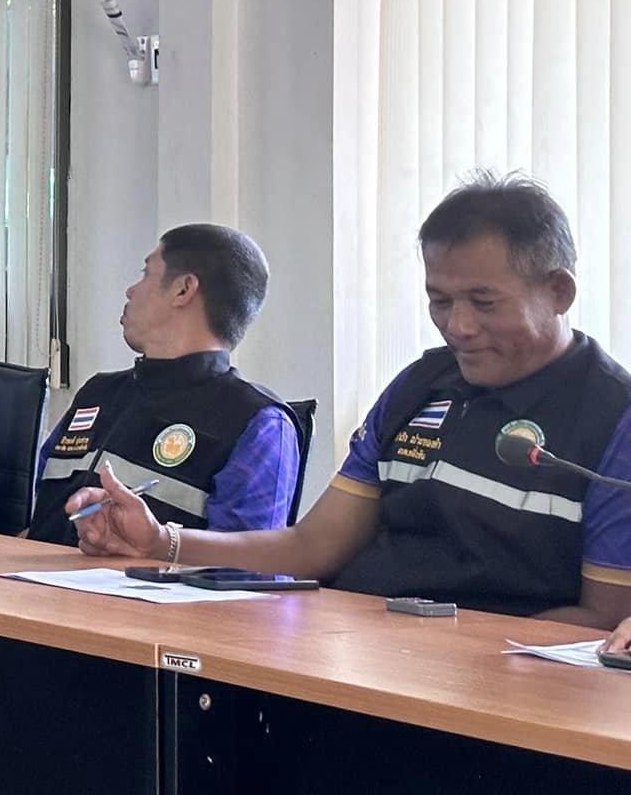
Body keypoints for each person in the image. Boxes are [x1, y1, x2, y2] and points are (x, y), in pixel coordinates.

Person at [71, 175, 631, 626]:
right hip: (356, 649)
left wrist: (442, 652)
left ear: (558, 292)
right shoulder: (421, 385)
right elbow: (312, 547)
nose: (458, 326)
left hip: (484, 682)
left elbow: (603, 619)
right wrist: (162, 541)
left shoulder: (613, 418)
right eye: (440, 301)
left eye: (484, 303)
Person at [25, 223, 298, 544]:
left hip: (128, 581)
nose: (130, 291)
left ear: (183, 290)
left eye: (145, 274)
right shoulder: (98, 393)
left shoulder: (258, 424)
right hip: (32, 575)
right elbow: (36, 525)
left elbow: (244, 566)